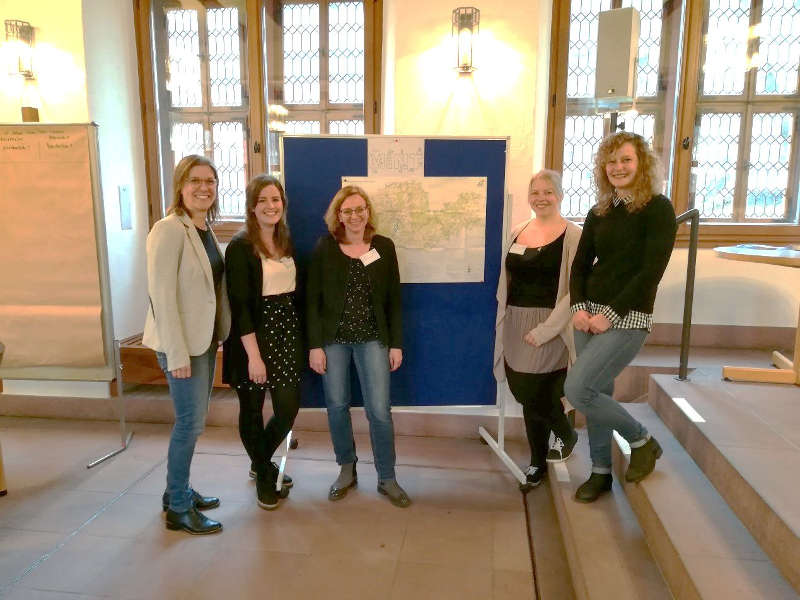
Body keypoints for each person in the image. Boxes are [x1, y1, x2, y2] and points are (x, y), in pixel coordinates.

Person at [565, 132, 677, 503]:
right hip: (588, 315)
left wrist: (609, 316)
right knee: (597, 391)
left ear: (641, 164)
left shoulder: (658, 208)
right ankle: (600, 471)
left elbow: (650, 273)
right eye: (611, 161)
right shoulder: (600, 211)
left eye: (626, 160)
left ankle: (641, 439)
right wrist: (579, 306)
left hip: (627, 318)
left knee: (578, 390)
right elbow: (580, 266)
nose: (618, 167)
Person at [306, 185, 410, 508]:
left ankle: (387, 477)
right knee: (336, 405)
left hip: (373, 339)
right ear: (338, 215)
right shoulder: (325, 247)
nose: (355, 216)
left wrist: (395, 344)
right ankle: (346, 469)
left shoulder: (383, 247)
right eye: (347, 210)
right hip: (333, 340)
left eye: (360, 209)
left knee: (379, 410)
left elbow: (394, 300)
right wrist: (315, 346)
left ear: (368, 212)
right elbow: (312, 300)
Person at [143, 154, 231, 534]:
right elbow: (161, 297)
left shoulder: (203, 228)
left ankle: (175, 491)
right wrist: (177, 354)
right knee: (189, 425)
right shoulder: (168, 229)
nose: (203, 187)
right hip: (181, 347)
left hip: (204, 340)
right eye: (194, 180)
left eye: (210, 181)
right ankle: (178, 508)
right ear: (180, 185)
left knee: (193, 423)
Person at [494, 170, 581, 488]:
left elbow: (576, 289)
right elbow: (507, 279)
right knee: (522, 389)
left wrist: (546, 330)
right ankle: (538, 459)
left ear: (559, 195)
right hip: (514, 322)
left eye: (548, 192)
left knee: (535, 391)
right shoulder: (518, 231)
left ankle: (560, 440)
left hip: (551, 325)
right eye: (535, 192)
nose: (541, 197)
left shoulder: (574, 235)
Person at [223, 175, 301, 511]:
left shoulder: (286, 240)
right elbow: (240, 307)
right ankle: (264, 477)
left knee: (287, 409)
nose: (271, 206)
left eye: (276, 200)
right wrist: (254, 357)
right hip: (251, 338)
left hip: (286, 333)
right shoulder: (240, 247)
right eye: (263, 201)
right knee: (252, 411)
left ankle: (261, 460)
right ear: (252, 207)